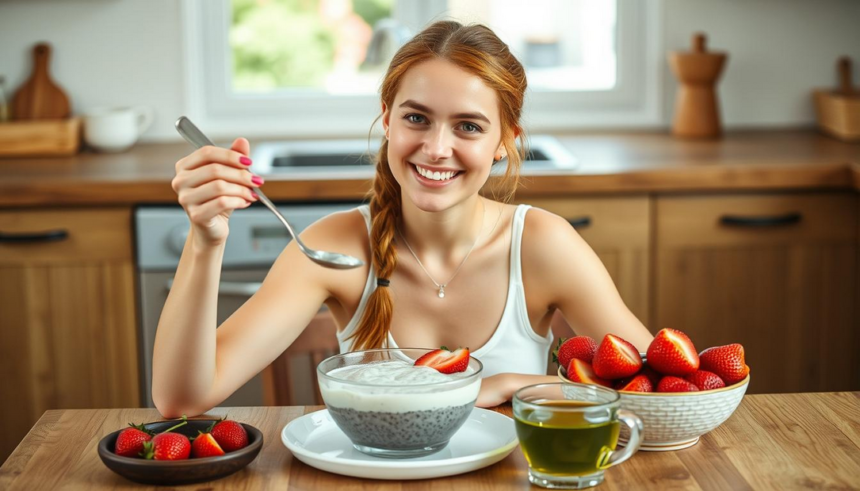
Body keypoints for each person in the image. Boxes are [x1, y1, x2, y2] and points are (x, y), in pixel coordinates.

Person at [152, 20, 653, 418]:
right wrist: (206, 239)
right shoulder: (338, 245)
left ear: (505, 141)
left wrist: (522, 385)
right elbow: (181, 400)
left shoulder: (542, 243)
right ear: (387, 117)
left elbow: (660, 389)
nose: (436, 149)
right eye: (417, 118)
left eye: (468, 126)